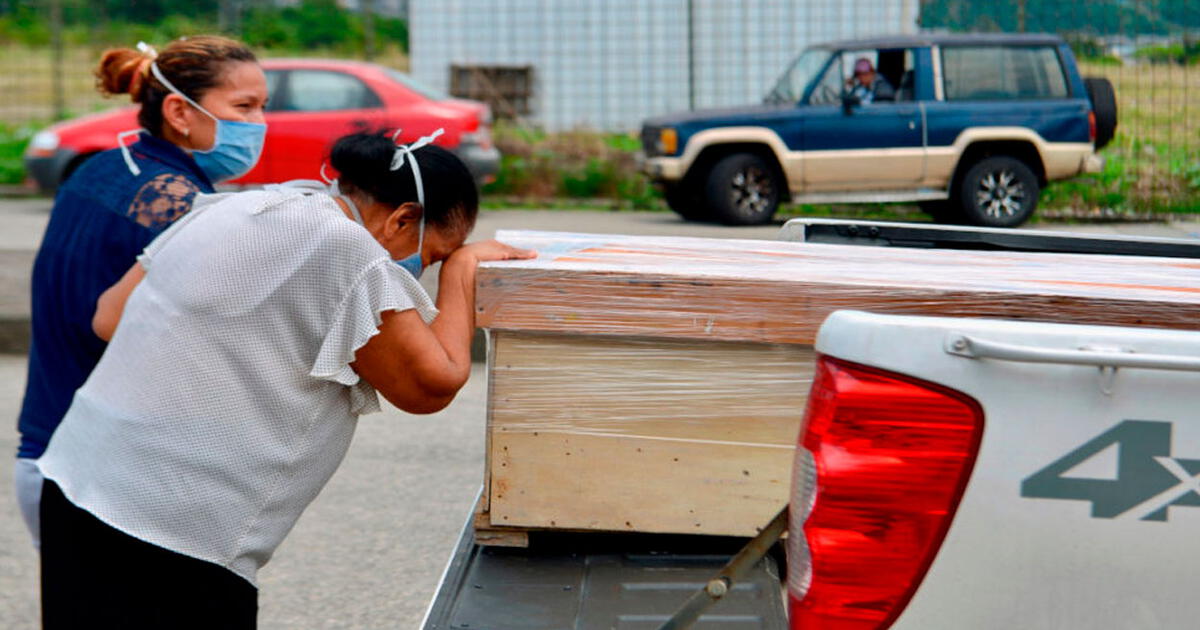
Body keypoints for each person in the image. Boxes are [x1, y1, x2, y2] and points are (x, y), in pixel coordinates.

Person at [36, 128, 535, 628]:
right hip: (175, 534)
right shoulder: (351, 252)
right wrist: (463, 272)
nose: (419, 272)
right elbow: (432, 384)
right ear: (403, 218)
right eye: (431, 256)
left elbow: (109, 315)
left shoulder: (239, 206)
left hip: (74, 484)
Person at [14, 35, 267, 549]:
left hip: (46, 454)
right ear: (179, 110)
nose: (260, 124)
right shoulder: (178, 204)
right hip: (106, 482)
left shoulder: (100, 170)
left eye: (263, 106)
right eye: (244, 107)